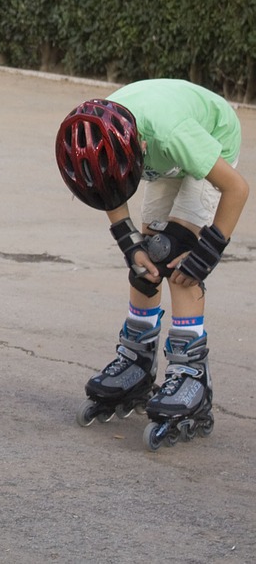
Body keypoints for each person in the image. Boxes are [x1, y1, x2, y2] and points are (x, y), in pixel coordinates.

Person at [56, 81, 248, 449]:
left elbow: (237, 189)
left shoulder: (173, 134)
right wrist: (130, 245)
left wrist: (208, 251)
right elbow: (108, 184)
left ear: (138, 147)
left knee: (177, 259)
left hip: (210, 138)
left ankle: (191, 372)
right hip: (165, 156)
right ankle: (137, 362)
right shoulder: (98, 129)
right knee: (146, 261)